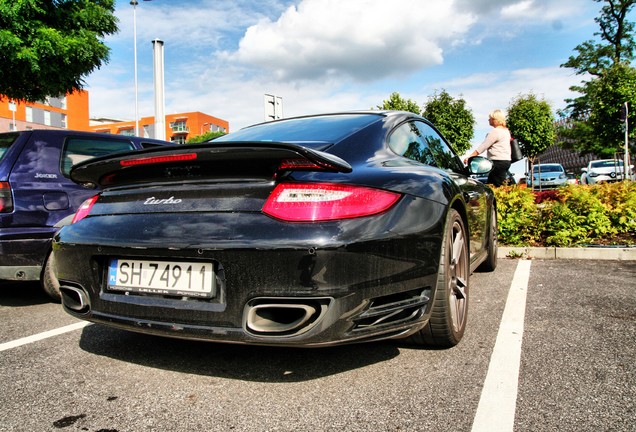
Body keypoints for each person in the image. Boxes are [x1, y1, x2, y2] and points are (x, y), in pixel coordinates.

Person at [464, 109, 512, 186]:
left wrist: (471, 156)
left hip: (497, 162)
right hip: (506, 161)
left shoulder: (496, 131)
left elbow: (484, 146)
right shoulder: (506, 131)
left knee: (496, 186)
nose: (488, 120)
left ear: (495, 120)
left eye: (490, 118)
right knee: (494, 183)